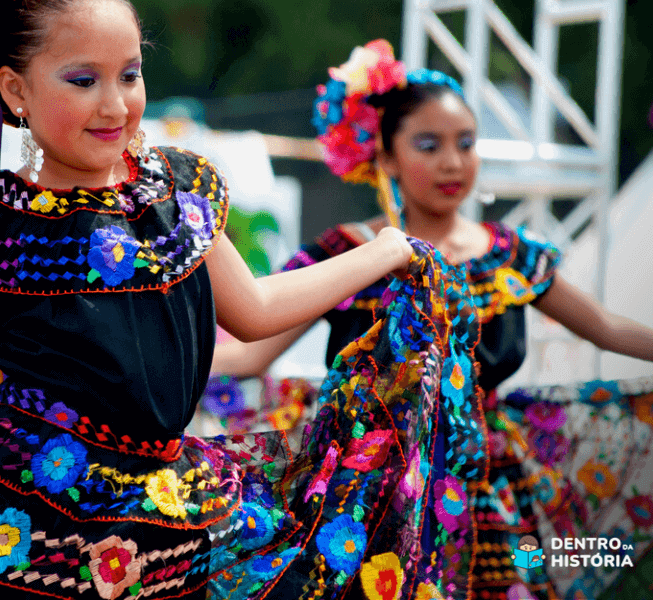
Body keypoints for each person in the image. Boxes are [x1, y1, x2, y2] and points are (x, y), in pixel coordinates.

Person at [0, 2, 470, 599]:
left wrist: (382, 252)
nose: (116, 104)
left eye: (131, 74)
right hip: (25, 519)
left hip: (177, 503)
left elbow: (255, 310)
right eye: (83, 80)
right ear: (14, 89)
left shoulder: (172, 190)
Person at [209, 40, 653, 599]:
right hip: (368, 493)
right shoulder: (346, 253)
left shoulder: (509, 255)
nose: (452, 161)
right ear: (386, 157)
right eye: (429, 144)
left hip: (487, 486)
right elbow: (250, 353)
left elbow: (608, 328)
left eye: (465, 144)